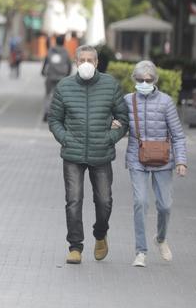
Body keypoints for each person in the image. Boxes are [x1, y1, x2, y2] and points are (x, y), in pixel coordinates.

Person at [48, 45, 129, 265]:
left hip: (101, 153)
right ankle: (75, 247)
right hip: (72, 154)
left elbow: (123, 118)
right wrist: (65, 138)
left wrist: (111, 137)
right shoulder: (64, 87)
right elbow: (54, 119)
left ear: (96, 63)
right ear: (76, 63)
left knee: (104, 201)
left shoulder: (110, 85)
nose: (85, 63)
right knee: (73, 200)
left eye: (89, 60)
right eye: (81, 59)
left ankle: (100, 234)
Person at [123, 60, 187, 268]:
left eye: (148, 80)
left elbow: (178, 135)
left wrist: (181, 161)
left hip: (163, 159)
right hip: (136, 158)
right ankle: (141, 251)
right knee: (140, 202)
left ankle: (160, 238)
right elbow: (118, 126)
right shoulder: (127, 101)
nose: (144, 82)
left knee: (165, 206)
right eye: (140, 79)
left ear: (155, 80)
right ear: (134, 79)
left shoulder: (166, 102)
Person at [42, 35, 72, 121]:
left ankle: (46, 112)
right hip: (61, 77)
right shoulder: (66, 52)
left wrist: (43, 70)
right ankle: (57, 114)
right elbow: (69, 64)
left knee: (48, 95)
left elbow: (46, 61)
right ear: (63, 42)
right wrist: (68, 74)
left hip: (50, 75)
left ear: (56, 41)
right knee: (59, 96)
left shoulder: (51, 50)